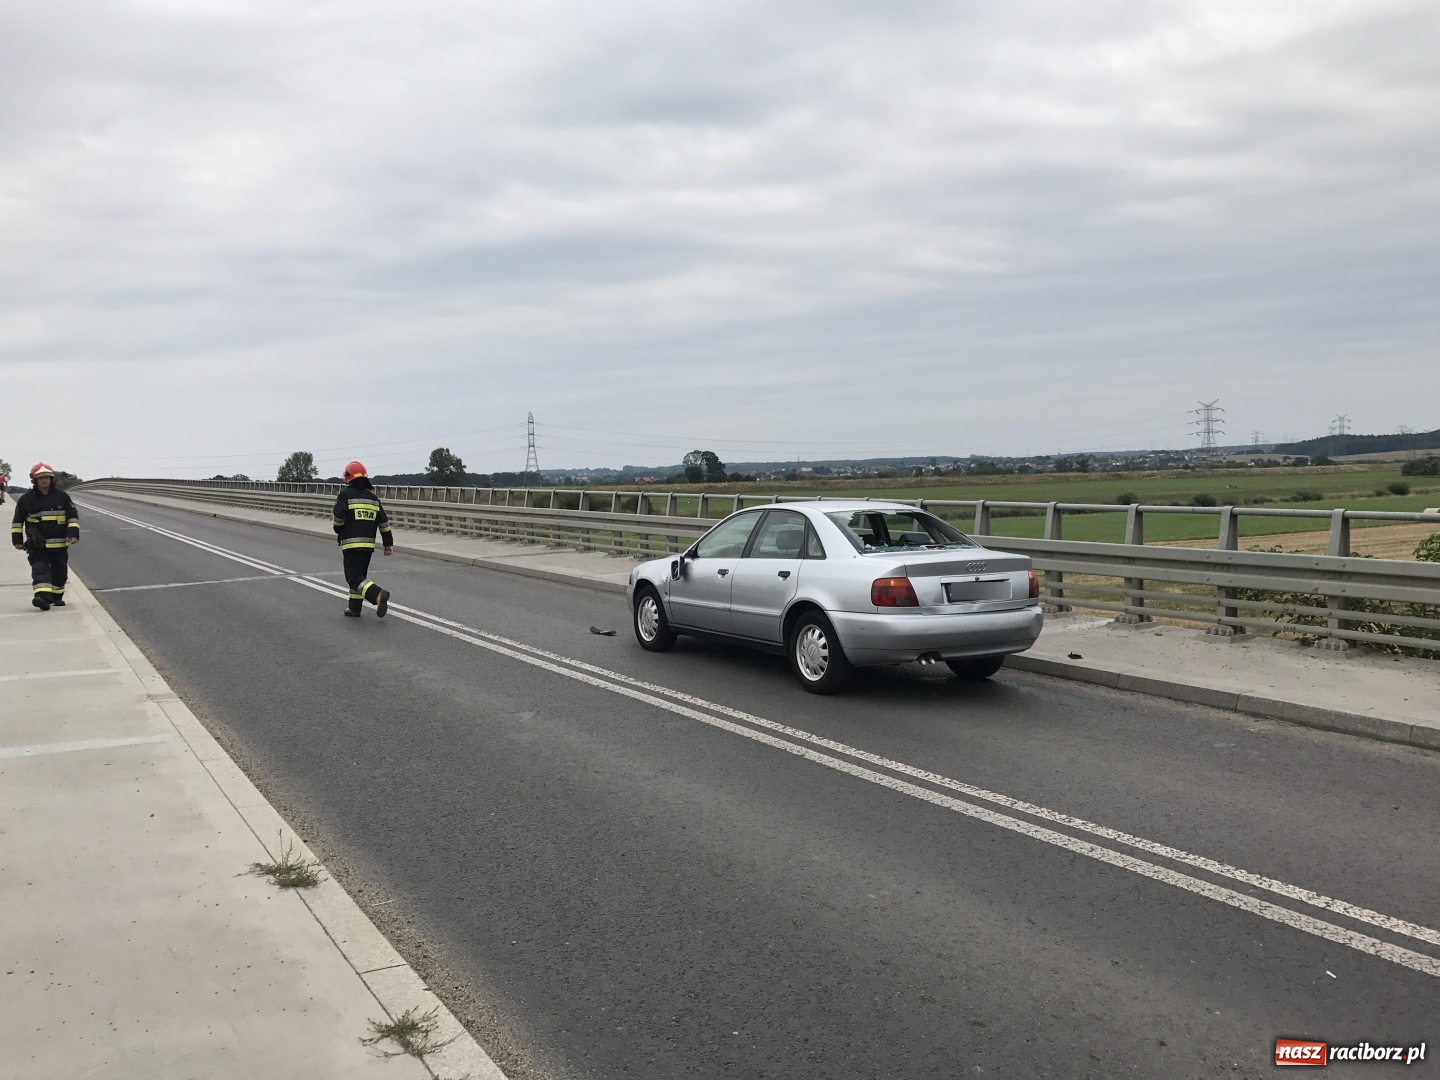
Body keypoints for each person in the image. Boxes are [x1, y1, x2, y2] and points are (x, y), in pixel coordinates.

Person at [11, 463, 79, 610]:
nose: (44, 480)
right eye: (40, 478)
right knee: (40, 570)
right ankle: (42, 597)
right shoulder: (26, 499)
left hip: (59, 544)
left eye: (47, 477)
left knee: (59, 572)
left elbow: (72, 517)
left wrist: (73, 534)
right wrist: (17, 540)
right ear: (34, 480)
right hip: (37, 543)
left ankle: (56, 596)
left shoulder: (62, 497)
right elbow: (17, 521)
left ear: (51, 479)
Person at [333, 460, 393, 618]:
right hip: (368, 546)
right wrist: (388, 543)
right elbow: (384, 522)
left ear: (348, 478)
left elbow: (338, 518)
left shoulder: (345, 495)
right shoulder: (373, 499)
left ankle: (377, 594)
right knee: (360, 577)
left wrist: (338, 529)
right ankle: (354, 608)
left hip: (351, 544)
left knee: (353, 577)